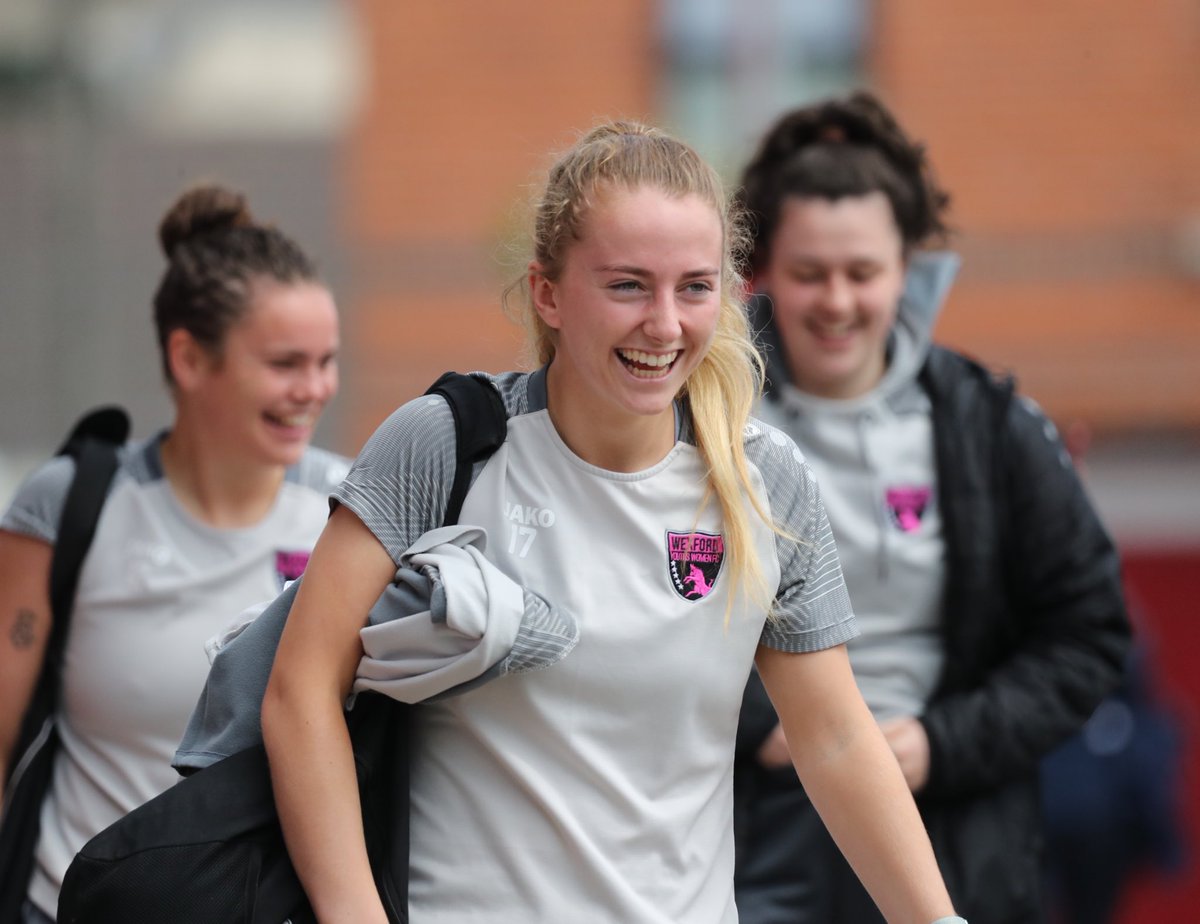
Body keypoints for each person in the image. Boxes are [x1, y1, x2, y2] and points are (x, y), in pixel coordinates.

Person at [259, 120, 966, 924]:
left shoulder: (765, 479)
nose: (664, 325)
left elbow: (835, 739)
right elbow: (299, 689)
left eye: (694, 287)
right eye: (628, 285)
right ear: (547, 292)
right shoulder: (445, 443)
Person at [731, 91, 1132, 924]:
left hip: (957, 845)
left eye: (862, 272)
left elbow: (1087, 633)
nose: (836, 302)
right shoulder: (702, 423)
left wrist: (941, 744)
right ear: (763, 271)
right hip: (743, 839)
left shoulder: (990, 425)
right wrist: (758, 726)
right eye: (809, 273)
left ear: (908, 270)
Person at [0, 183, 346, 923]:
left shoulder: (353, 511)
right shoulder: (70, 504)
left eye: (327, 361)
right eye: (286, 362)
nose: (313, 389)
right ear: (189, 358)